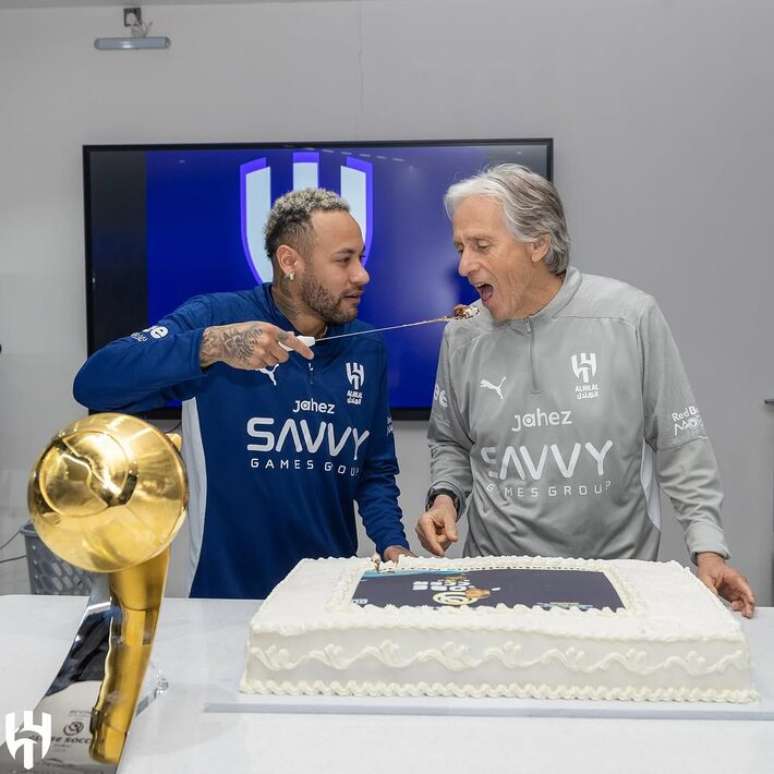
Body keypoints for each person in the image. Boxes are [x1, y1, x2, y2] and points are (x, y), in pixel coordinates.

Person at [416, 164, 755, 617]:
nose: (464, 265)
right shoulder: (463, 336)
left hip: (617, 587)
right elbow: (451, 443)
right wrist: (445, 501)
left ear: (538, 242)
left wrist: (708, 549)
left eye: (482, 245)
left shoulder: (629, 318)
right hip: (493, 587)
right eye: (460, 247)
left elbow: (679, 443)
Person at [74, 188, 411, 599]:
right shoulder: (217, 319)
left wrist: (393, 544)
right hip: (225, 598)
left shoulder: (366, 346)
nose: (362, 275)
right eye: (344, 260)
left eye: (361, 258)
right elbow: (94, 381)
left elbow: (373, 470)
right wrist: (212, 346)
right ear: (289, 261)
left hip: (326, 598)